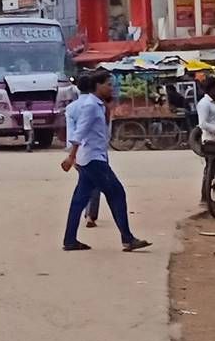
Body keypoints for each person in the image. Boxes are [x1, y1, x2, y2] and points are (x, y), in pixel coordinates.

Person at [59, 71, 149, 252]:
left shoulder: (97, 105)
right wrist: (71, 155)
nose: (111, 88)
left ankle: (70, 240)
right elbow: (80, 132)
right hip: (93, 159)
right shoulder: (91, 106)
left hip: (90, 158)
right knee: (117, 194)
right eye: (108, 84)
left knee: (79, 200)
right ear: (97, 85)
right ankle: (127, 238)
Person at [195, 76, 215, 214]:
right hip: (209, 139)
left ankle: (206, 196)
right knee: (210, 168)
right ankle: (204, 197)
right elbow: (202, 124)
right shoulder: (204, 104)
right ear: (212, 88)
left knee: (214, 167)